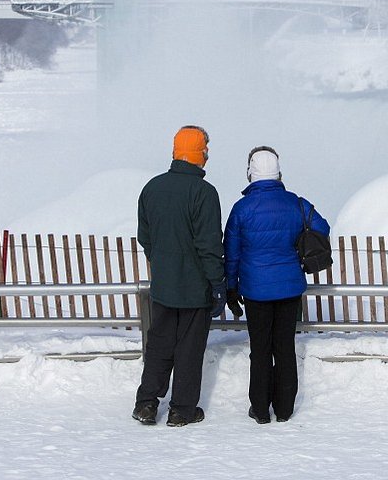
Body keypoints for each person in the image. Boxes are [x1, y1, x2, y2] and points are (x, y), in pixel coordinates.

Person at [223, 146, 329, 424]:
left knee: (260, 349)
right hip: (289, 288)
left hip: (255, 290)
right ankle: (284, 409)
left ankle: (260, 409)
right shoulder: (296, 203)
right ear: (279, 172)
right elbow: (323, 227)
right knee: (284, 347)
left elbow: (231, 252)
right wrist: (295, 245)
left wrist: (231, 288)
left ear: (250, 174)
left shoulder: (241, 209)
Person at [132, 125, 226, 427]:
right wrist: (217, 284)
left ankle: (146, 403)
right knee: (189, 348)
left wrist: (160, 262)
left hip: (163, 285)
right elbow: (209, 245)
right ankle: (182, 410)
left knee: (159, 343)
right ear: (200, 154)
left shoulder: (152, 188)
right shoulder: (205, 193)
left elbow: (144, 236)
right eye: (206, 150)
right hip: (195, 288)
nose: (208, 157)